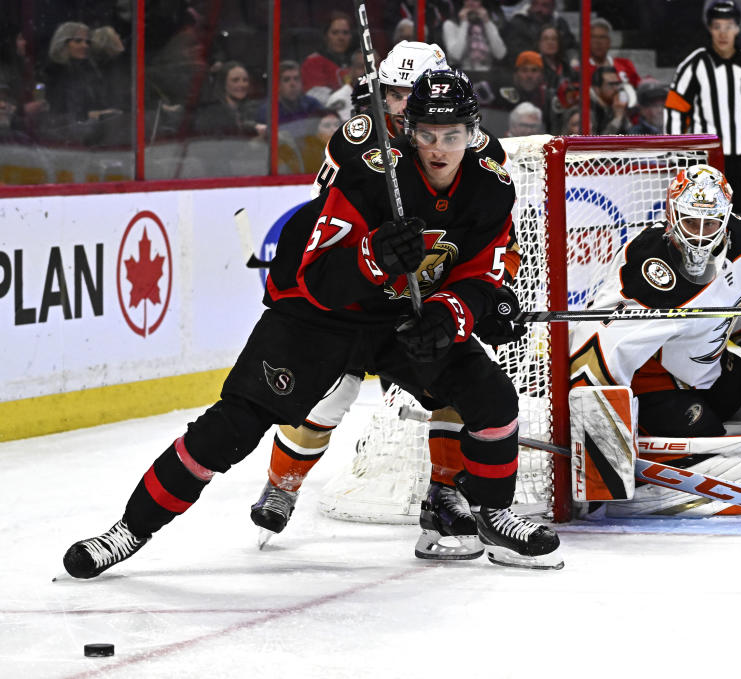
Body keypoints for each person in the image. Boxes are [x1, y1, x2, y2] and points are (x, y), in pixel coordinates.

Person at [62, 68, 562, 580]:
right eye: (427, 134)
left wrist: (448, 314)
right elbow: (317, 275)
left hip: (399, 317)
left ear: (472, 133)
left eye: (452, 135)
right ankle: (128, 531)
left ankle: (494, 513)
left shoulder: (490, 187)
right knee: (233, 425)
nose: (439, 147)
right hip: (318, 315)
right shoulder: (371, 176)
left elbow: (480, 275)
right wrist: (374, 256)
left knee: (491, 394)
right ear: (408, 131)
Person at [254, 42, 522, 564]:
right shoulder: (357, 144)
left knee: (452, 383)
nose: (399, 105)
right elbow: (323, 225)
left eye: (409, 93)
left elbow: (491, 240)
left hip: (429, 291)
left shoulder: (477, 151)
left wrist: (492, 293)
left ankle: (445, 494)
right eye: (391, 93)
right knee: (332, 392)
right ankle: (283, 483)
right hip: (362, 292)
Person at [569, 165, 741, 442]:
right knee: (712, 443)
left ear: (726, 217)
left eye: (709, 223)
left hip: (708, 371)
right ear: (672, 215)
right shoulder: (648, 270)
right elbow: (595, 353)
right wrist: (599, 438)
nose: (699, 235)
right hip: (651, 384)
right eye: (690, 221)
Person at [664, 1, 741, 247]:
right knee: (708, 227)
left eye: (728, 26)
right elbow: (675, 110)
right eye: (717, 26)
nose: (723, 33)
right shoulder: (695, 65)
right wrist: (678, 158)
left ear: (738, 29)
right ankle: (710, 281)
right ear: (709, 29)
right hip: (705, 164)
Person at [193, 61, 265, 138]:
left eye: (245, 80)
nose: (242, 84)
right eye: (235, 80)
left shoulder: (253, 110)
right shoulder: (210, 114)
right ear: (223, 84)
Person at [584, 18, 640, 110]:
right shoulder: (580, 69)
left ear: (609, 42)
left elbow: (638, 89)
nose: (598, 42)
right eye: (594, 37)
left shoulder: (625, 64)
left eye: (602, 37)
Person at [442, 0, 507, 72]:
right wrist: (464, 22)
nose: (471, 2)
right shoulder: (450, 24)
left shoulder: (489, 23)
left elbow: (500, 54)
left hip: (488, 75)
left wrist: (487, 22)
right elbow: (456, 56)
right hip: (461, 75)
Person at [502, 0, 575, 63]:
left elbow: (570, 46)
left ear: (553, 7)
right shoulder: (517, 23)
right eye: (535, 4)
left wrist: (573, 60)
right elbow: (516, 54)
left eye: (545, 5)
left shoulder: (559, 23)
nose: (538, 9)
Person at [300, 12, 354, 97]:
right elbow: (316, 96)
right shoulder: (313, 63)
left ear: (351, 36)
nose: (341, 38)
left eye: (345, 33)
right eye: (335, 32)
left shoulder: (357, 61)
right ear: (326, 36)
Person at [255, 61, 323, 126]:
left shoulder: (312, 104)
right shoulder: (268, 110)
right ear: (278, 85)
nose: (293, 84)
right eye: (286, 80)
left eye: (296, 79)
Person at [590, 65, 631, 135]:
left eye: (617, 84)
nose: (616, 88)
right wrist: (618, 118)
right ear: (596, 89)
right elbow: (600, 142)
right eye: (611, 84)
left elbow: (630, 134)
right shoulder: (589, 111)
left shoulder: (615, 106)